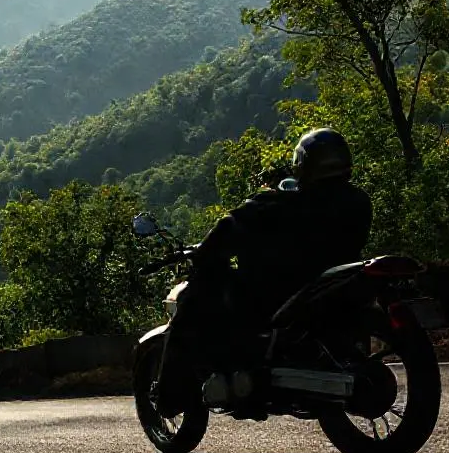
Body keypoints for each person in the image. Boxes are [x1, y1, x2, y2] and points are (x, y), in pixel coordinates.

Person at [153, 127, 373, 418]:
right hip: (327, 285)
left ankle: (172, 396)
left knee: (200, 297)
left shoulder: (282, 203)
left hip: (279, 293)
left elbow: (229, 226)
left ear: (306, 164)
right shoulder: (358, 201)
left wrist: (204, 253)